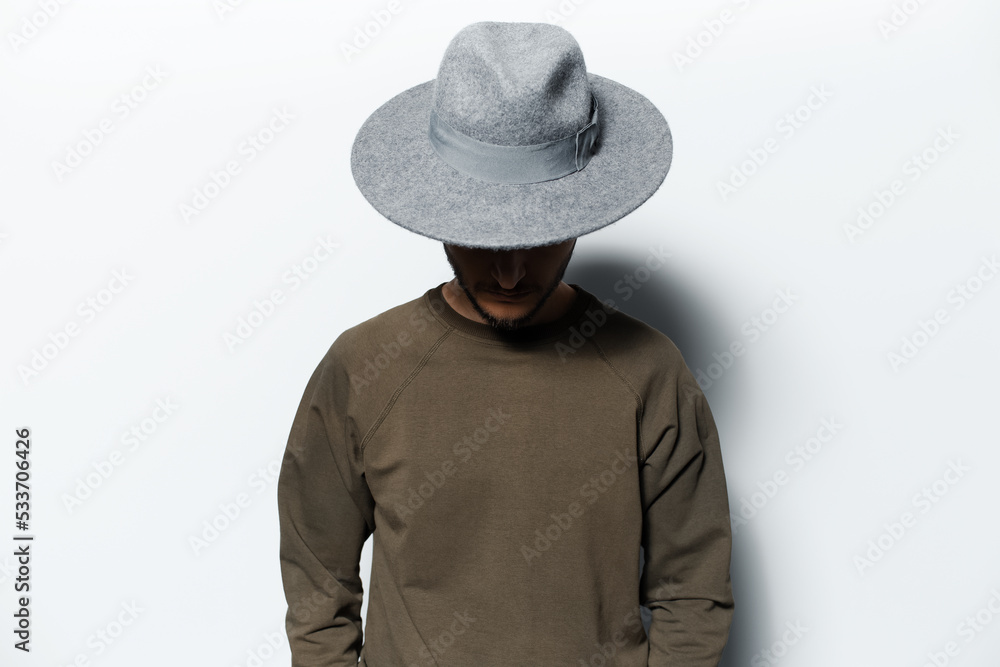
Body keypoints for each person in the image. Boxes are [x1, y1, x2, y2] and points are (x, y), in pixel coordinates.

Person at [277, 20, 734, 666]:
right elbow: (318, 582)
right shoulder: (361, 369)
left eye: (541, 235)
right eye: (484, 235)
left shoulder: (649, 373)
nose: (511, 272)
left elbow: (694, 592)